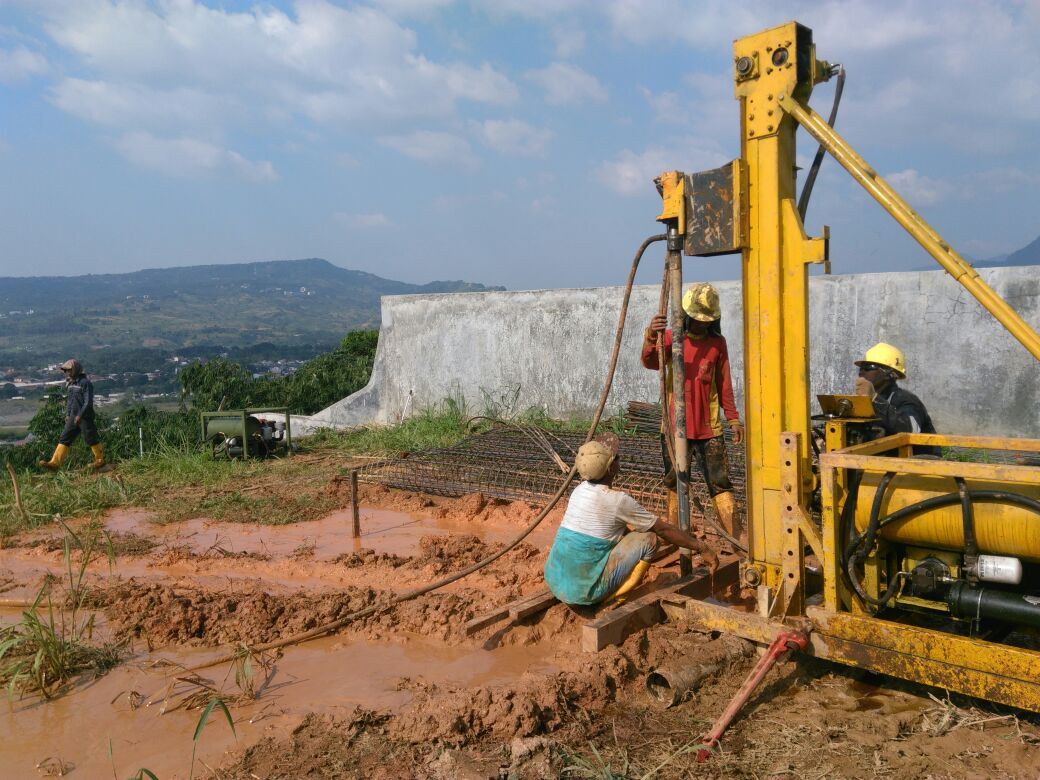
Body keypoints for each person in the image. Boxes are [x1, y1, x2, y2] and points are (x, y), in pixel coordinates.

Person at [543, 433, 718, 607]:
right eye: (617, 458)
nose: (620, 460)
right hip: (584, 592)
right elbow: (662, 529)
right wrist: (701, 547)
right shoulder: (618, 501)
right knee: (649, 538)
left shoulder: (579, 490)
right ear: (611, 468)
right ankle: (613, 599)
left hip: (555, 580)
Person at [641, 282, 744, 540]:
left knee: (720, 483)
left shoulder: (717, 344)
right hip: (676, 427)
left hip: (709, 428)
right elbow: (651, 362)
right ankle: (678, 537)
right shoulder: (671, 338)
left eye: (705, 321)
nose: (700, 324)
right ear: (687, 316)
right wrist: (651, 336)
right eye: (696, 320)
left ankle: (735, 541)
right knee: (674, 481)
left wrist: (732, 418)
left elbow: (724, 384)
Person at [854, 342, 940, 457]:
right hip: (881, 466)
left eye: (869, 367)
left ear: (889, 374)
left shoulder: (906, 400)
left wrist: (875, 398)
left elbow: (911, 431)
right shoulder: (865, 402)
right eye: (861, 368)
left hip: (919, 467)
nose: (861, 371)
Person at [38, 359, 105, 471]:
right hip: (73, 417)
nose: (67, 372)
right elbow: (70, 401)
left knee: (91, 438)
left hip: (85, 417)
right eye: (65, 370)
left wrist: (80, 415)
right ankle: (55, 463)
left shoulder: (85, 383)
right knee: (65, 438)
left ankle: (100, 461)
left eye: (69, 370)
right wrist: (68, 414)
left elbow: (88, 402)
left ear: (75, 370)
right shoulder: (70, 383)